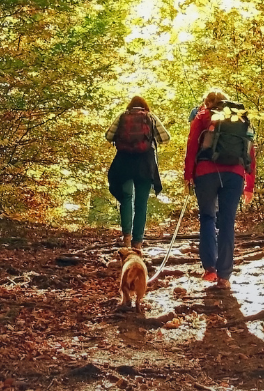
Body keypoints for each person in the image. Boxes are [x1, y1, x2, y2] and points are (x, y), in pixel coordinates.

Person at [184, 89, 256, 289]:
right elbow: (250, 150)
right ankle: (224, 276)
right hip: (234, 174)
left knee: (207, 217)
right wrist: (249, 184)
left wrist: (188, 175)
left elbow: (192, 146)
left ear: (206, 102)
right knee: (227, 222)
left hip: (206, 173)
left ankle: (210, 270)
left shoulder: (203, 116)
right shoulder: (240, 119)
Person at [105, 95, 170, 253]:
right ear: (144, 106)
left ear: (130, 106)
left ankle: (126, 239)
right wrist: (150, 139)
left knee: (126, 198)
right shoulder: (150, 117)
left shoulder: (122, 116)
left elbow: (108, 136)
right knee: (141, 203)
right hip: (145, 163)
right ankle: (138, 243)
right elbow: (166, 138)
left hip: (124, 162)